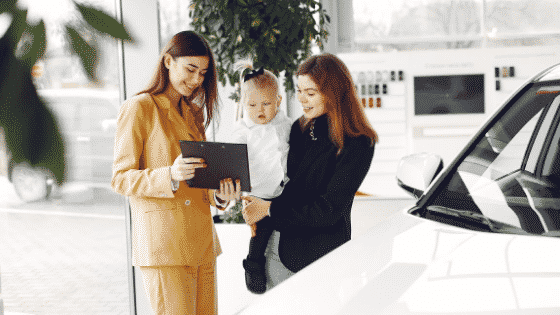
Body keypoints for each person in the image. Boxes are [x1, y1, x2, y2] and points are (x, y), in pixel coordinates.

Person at [111, 31, 241, 315]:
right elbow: (120, 178)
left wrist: (220, 196)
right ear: (168, 61)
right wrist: (169, 174)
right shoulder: (139, 108)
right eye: (190, 69)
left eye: (203, 73)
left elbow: (201, 178)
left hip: (202, 243)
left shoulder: (193, 113)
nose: (196, 80)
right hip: (165, 246)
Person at [241, 53, 378, 290]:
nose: (302, 99)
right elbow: (283, 183)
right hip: (278, 249)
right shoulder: (300, 128)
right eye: (299, 90)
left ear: (334, 93)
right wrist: (254, 204)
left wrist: (269, 209)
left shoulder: (358, 142)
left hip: (323, 258)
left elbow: (329, 210)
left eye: (311, 93)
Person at [229, 61, 292, 294]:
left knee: (284, 228)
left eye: (266, 103)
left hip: (283, 192)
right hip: (258, 193)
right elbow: (233, 155)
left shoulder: (286, 124)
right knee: (259, 232)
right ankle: (253, 264)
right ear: (244, 104)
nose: (260, 110)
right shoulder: (243, 129)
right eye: (253, 104)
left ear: (279, 101)